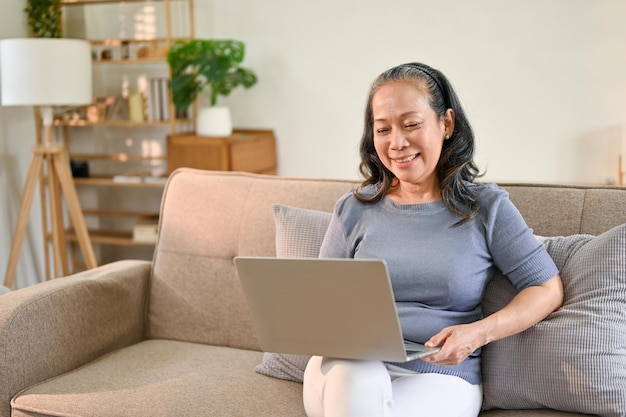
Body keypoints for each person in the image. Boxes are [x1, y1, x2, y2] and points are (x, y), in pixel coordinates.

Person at [302, 62, 564, 417]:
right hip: (348, 365)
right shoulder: (353, 209)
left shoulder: (485, 208)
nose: (396, 143)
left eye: (411, 124)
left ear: (446, 124)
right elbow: (319, 299)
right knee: (355, 380)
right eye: (382, 129)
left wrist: (478, 333)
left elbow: (546, 288)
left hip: (442, 373)